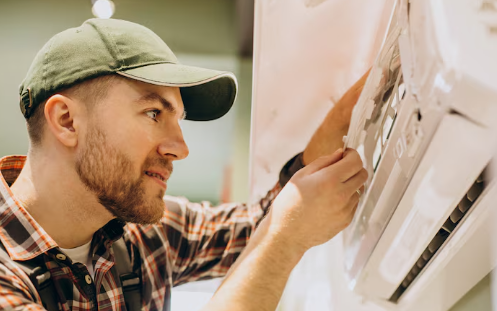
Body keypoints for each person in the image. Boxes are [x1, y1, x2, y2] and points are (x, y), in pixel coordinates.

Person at [0, 18, 368, 311]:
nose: (181, 148)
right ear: (67, 121)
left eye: (178, 119)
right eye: (153, 112)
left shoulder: (142, 235)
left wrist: (340, 124)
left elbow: (261, 223)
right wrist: (286, 242)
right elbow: (277, 231)